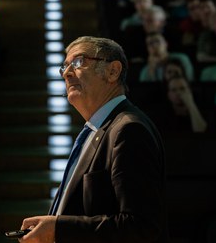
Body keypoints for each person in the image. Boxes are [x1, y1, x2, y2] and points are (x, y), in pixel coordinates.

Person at [19, 36, 167, 242]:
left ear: (113, 71)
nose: (67, 73)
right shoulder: (96, 129)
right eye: (64, 67)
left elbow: (140, 226)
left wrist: (59, 229)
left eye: (79, 62)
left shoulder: (129, 129)